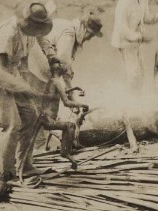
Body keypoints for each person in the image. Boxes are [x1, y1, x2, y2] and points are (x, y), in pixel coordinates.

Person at [0, 2, 58, 181]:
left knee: (31, 117)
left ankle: (25, 165)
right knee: (12, 125)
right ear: (28, 24)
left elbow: (42, 39)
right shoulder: (8, 35)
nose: (39, 31)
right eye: (37, 27)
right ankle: (6, 173)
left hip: (12, 78)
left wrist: (51, 56)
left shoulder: (30, 32)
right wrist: (25, 88)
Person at [28, 11, 104, 146]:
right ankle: (38, 146)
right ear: (84, 28)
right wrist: (72, 97)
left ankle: (41, 142)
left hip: (37, 68)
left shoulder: (69, 27)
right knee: (44, 109)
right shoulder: (69, 33)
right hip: (37, 70)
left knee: (45, 108)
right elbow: (63, 65)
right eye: (90, 34)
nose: (89, 38)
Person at [111, 0, 158, 96]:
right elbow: (123, 28)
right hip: (124, 41)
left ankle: (137, 99)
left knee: (141, 72)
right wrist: (140, 37)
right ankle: (131, 102)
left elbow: (146, 18)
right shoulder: (124, 3)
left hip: (136, 41)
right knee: (133, 74)